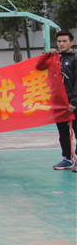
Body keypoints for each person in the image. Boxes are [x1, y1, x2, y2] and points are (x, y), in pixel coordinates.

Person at [37, 30, 77, 171]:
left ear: (71, 43)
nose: (61, 44)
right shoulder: (55, 58)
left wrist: (74, 101)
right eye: (59, 41)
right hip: (59, 103)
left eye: (64, 41)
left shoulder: (75, 58)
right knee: (63, 133)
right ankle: (67, 158)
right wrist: (48, 55)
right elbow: (39, 67)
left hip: (73, 103)